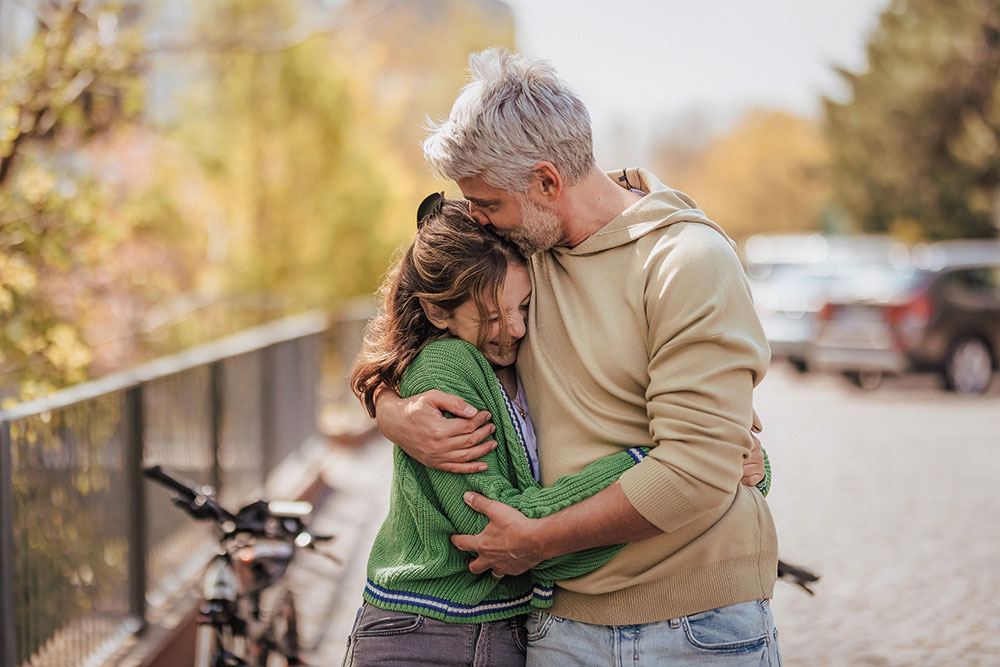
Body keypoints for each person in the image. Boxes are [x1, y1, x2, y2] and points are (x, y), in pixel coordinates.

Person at [374, 48, 780, 665]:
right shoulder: (515, 258)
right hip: (559, 628)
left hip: (696, 628)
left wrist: (537, 539)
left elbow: (697, 471)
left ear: (545, 182)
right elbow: (411, 318)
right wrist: (389, 409)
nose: (478, 220)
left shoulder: (686, 262)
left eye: (487, 203)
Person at [343, 196, 656, 667]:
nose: (513, 328)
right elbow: (497, 526)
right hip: (424, 633)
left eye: (523, 306)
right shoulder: (448, 366)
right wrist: (654, 467)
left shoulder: (522, 357)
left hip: (505, 629)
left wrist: (702, 464)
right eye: (490, 316)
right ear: (437, 312)